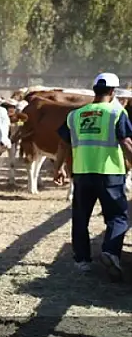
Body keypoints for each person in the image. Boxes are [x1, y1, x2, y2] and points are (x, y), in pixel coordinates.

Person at [54, 72, 132, 281]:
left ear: (94, 90)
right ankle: (110, 251)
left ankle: (82, 261)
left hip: (82, 173)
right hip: (110, 174)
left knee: (81, 218)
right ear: (113, 92)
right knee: (118, 217)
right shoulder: (116, 113)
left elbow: (63, 143)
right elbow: (126, 142)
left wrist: (58, 167)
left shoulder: (75, 115)